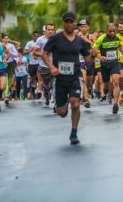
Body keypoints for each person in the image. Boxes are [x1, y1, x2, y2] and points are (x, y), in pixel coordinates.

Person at [43, 12, 93, 145]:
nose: (69, 24)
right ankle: (62, 104)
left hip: (74, 77)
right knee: (61, 112)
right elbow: (45, 54)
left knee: (75, 103)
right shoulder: (55, 38)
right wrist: (52, 67)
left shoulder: (80, 41)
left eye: (71, 21)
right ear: (63, 22)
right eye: (67, 21)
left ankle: (74, 132)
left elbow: (88, 60)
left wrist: (93, 55)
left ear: (75, 23)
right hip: (60, 78)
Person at [94, 23, 123, 114]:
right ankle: (108, 92)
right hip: (104, 64)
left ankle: (115, 104)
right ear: (106, 30)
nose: (112, 33)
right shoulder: (102, 38)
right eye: (110, 31)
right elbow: (94, 49)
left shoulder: (117, 37)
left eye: (113, 31)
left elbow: (119, 46)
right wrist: (100, 57)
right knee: (106, 86)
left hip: (114, 63)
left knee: (116, 81)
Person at [33, 23, 55, 106]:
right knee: (47, 85)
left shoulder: (56, 39)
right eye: (48, 29)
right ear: (45, 31)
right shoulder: (40, 40)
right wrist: (43, 54)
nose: (50, 31)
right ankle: (46, 91)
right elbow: (34, 52)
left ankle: (55, 102)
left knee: (54, 84)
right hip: (43, 66)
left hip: (54, 66)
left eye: (52, 30)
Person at [78, 19, 95, 108]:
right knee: (83, 79)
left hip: (89, 61)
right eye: (81, 27)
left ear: (88, 27)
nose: (83, 28)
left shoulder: (91, 36)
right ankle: (86, 99)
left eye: (85, 26)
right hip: (80, 60)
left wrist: (86, 40)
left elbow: (95, 46)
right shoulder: (77, 35)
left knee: (89, 81)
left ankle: (88, 90)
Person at [2, 34, 19, 105]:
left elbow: (16, 55)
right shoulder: (0, 45)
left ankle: (6, 94)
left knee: (9, 80)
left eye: (7, 38)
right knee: (4, 79)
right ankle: (6, 95)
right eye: (5, 38)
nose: (6, 40)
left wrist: (9, 52)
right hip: (2, 64)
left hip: (10, 63)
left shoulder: (11, 46)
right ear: (2, 39)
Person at [24, 31, 40, 100]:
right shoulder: (29, 43)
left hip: (39, 63)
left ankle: (39, 90)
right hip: (32, 64)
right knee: (33, 79)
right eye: (35, 36)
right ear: (32, 36)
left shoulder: (40, 42)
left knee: (39, 77)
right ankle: (32, 88)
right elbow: (24, 52)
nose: (36, 37)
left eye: (37, 36)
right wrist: (31, 50)